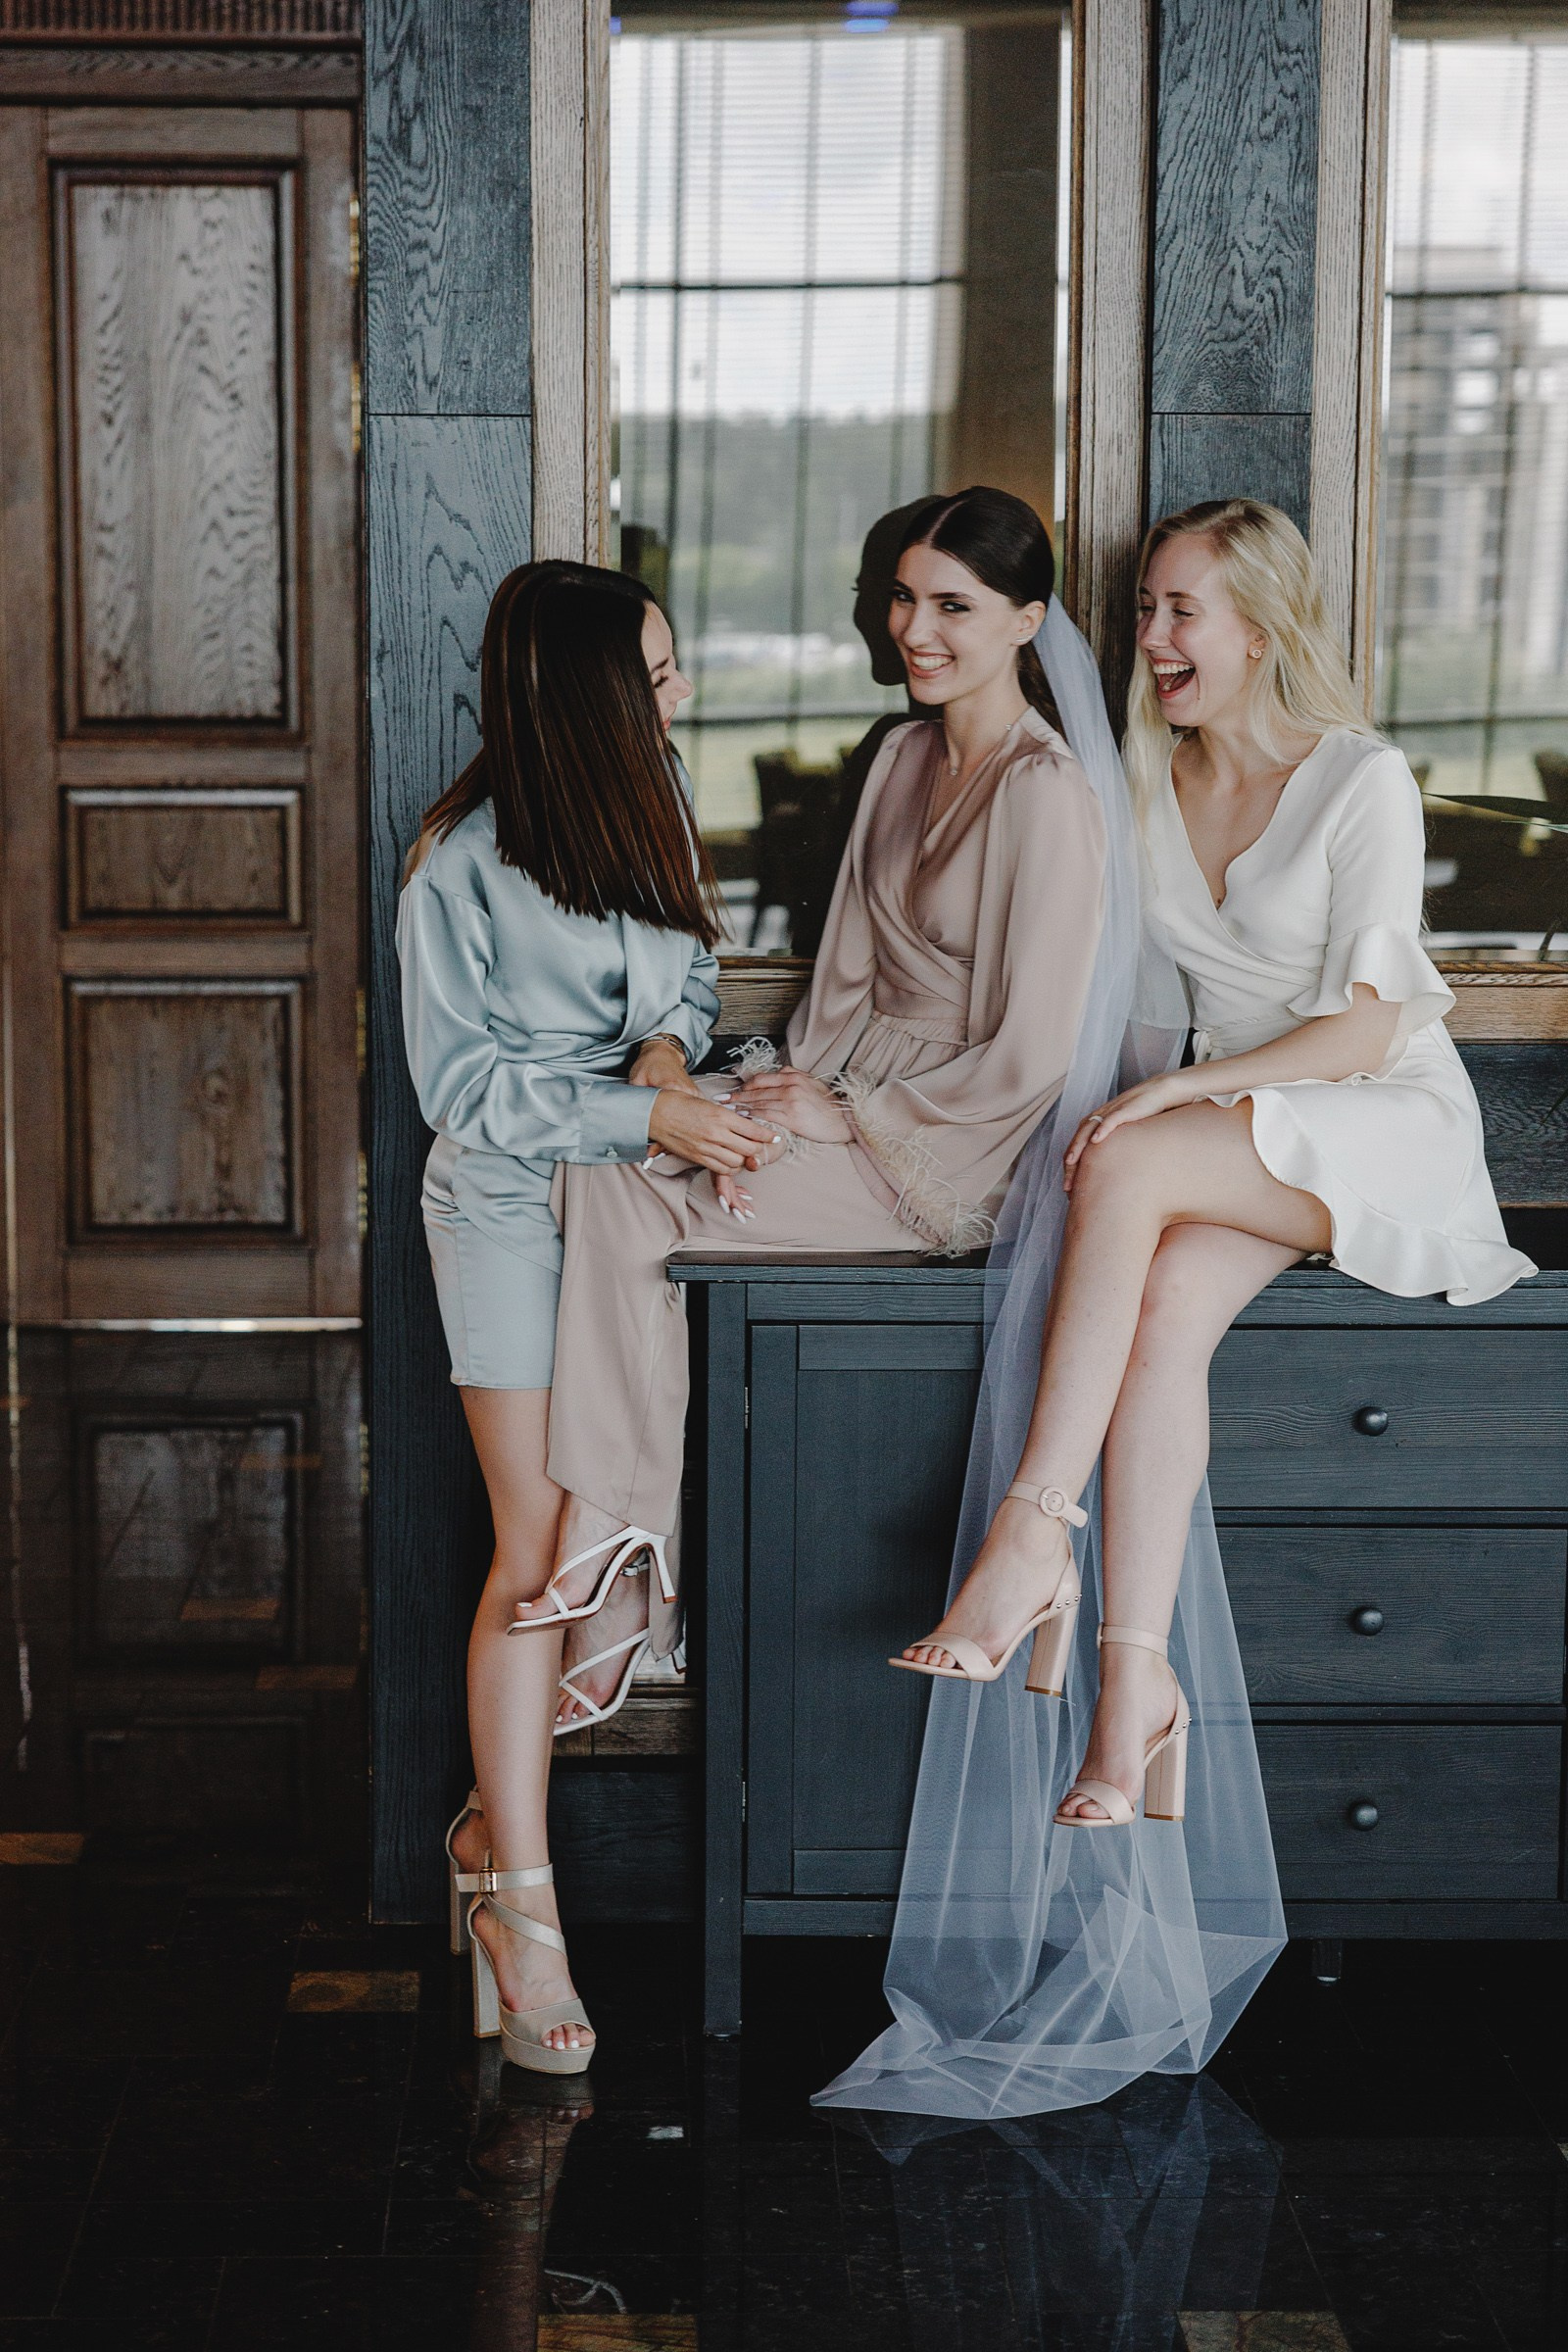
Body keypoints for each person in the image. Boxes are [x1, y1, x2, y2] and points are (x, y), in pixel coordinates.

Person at [821, 498, 1533, 2120]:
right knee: (1149, 1309)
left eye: (1181, 613)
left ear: (1261, 625)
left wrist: (1170, 1107)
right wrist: (1083, 1120)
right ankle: (1134, 1684)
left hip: (1378, 1124)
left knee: (1129, 1167)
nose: (1151, 642)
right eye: (1143, 610)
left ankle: (1031, 1539)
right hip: (1237, 1137)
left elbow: (1369, 1029)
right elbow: (1126, 1012)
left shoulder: (1357, 777)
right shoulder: (1141, 780)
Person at [509, 488, 1109, 1741]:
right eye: (902, 598)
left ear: (1027, 621)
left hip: (962, 1139)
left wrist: (849, 1123)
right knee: (615, 1155)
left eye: (953, 606)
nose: (916, 630)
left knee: (618, 1175)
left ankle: (620, 1554)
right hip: (844, 1086)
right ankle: (626, 1555)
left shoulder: (1047, 791)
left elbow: (1037, 1051)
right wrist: (775, 1110)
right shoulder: (899, 756)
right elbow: (838, 980)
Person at [397, 559, 767, 2075]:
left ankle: (490, 1831)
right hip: (504, 1220)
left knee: (620, 1518)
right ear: (587, 696)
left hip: (634, 1214)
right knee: (541, 1548)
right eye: (657, 675)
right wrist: (643, 1114)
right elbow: (462, 1090)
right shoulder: (455, 865)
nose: (680, 695)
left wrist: (672, 1058)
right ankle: (526, 1915)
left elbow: (691, 976)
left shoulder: (653, 798)